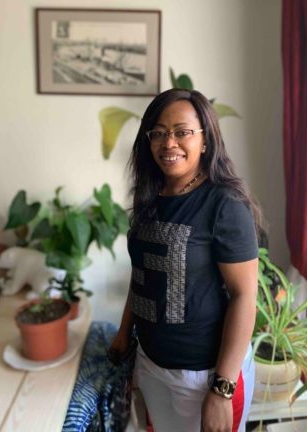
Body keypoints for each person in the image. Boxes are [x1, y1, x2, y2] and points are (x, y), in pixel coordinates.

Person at [108, 88, 262, 432]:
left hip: (204, 377)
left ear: (206, 140)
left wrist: (222, 390)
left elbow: (244, 296)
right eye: (159, 133)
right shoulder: (149, 197)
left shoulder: (225, 204)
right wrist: (123, 333)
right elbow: (143, 275)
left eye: (182, 132)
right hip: (151, 365)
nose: (169, 142)